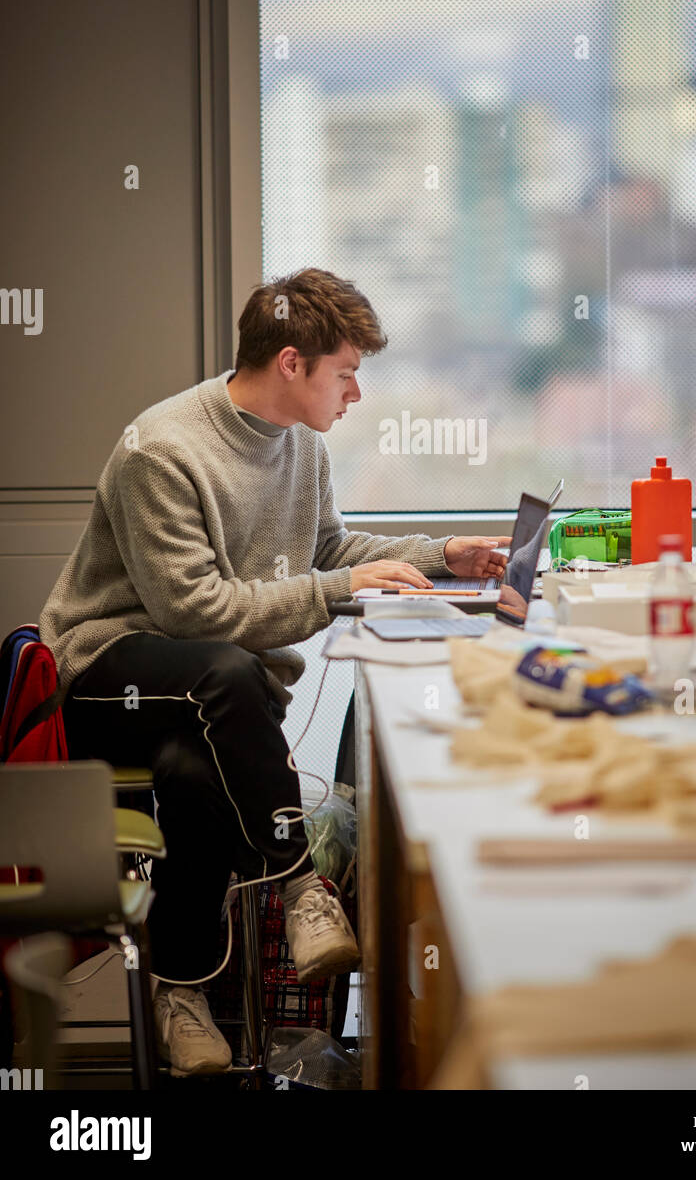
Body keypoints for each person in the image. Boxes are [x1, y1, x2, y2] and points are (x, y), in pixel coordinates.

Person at [39, 267, 509, 1077]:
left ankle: (180, 994)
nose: (355, 395)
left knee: (197, 771)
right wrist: (336, 590)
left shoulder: (300, 447)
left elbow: (328, 553)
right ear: (292, 364)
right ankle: (299, 888)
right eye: (347, 374)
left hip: (211, 703)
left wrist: (442, 554)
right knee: (225, 671)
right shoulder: (163, 449)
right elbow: (192, 612)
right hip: (109, 672)